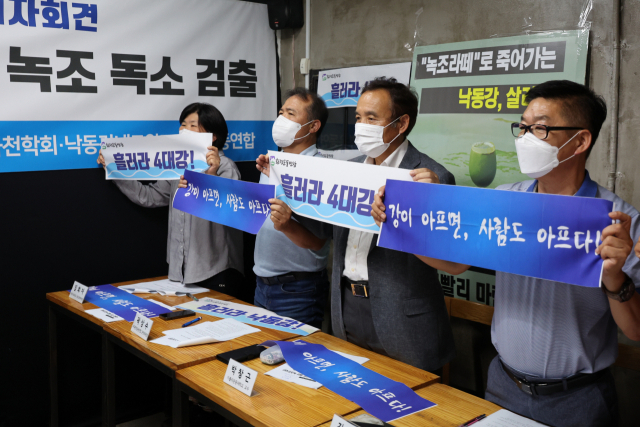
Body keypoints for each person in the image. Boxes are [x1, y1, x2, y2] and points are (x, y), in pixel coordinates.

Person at [372, 80, 640, 427]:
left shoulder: (618, 222)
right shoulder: (505, 200)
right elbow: (455, 263)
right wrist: (400, 225)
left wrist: (615, 278)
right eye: (522, 127)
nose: (525, 138)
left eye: (540, 128)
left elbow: (635, 330)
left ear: (580, 141)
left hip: (577, 398)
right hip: (503, 385)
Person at [330, 77, 463, 373]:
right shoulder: (346, 171)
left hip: (405, 322)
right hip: (347, 308)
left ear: (401, 124)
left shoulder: (433, 177)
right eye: (358, 118)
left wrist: (408, 214)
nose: (361, 126)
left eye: (371, 118)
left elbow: (452, 258)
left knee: (411, 400)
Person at [98, 102, 246, 300]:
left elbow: (230, 212)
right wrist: (114, 170)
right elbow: (149, 196)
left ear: (213, 136)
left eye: (193, 125)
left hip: (216, 271)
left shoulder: (226, 167)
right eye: (183, 124)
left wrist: (209, 176)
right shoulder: (178, 166)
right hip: (181, 271)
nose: (185, 130)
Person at [252, 88, 332, 329]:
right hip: (262, 284)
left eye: (290, 113)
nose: (281, 119)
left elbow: (319, 242)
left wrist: (287, 225)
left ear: (313, 126)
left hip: (298, 290)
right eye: (281, 112)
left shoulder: (322, 172)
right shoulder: (271, 164)